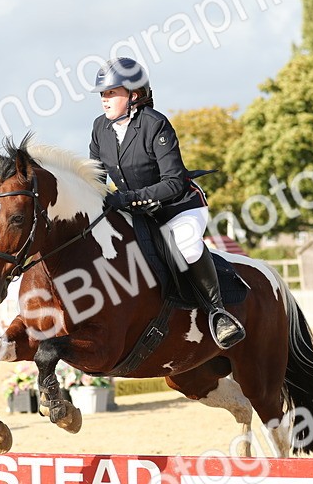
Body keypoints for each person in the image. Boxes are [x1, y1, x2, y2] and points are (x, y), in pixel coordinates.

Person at [89, 57, 245, 349]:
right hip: (136, 210)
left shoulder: (155, 124)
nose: (104, 100)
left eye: (111, 93)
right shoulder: (100, 128)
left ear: (134, 95)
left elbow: (173, 182)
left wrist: (127, 199)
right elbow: (96, 175)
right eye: (103, 94)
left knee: (186, 244)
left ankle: (218, 312)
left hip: (179, 207)